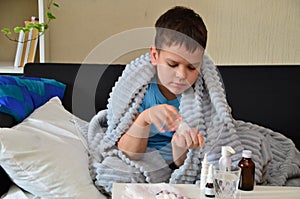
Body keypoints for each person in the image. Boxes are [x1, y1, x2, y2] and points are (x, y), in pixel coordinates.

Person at [117, 6, 206, 169]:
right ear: (155, 56)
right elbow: (127, 153)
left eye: (192, 67)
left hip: (173, 167)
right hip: (138, 161)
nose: (181, 75)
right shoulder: (140, 91)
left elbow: (188, 165)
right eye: (172, 64)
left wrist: (180, 148)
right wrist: (145, 118)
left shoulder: (200, 100)